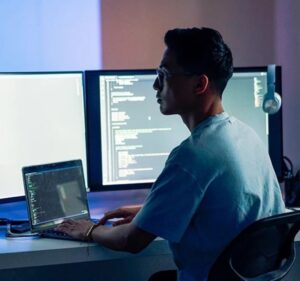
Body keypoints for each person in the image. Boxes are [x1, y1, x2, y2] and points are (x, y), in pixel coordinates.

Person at [56, 27, 285, 281]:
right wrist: (152, 211)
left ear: (200, 84)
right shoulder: (247, 135)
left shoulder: (193, 155)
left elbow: (131, 240)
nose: (155, 84)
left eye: (163, 74)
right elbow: (228, 207)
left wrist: (88, 231)